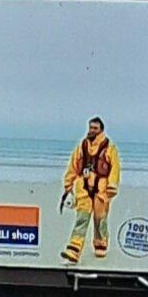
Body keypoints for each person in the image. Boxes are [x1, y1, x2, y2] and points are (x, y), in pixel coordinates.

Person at [60, 114, 120, 270]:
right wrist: (68, 184)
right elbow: (73, 165)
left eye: (95, 128)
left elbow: (115, 168)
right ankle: (73, 250)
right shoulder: (82, 146)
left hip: (101, 189)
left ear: (101, 130)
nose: (92, 130)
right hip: (83, 188)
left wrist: (111, 186)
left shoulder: (110, 148)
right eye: (90, 127)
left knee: (101, 219)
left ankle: (101, 243)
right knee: (82, 217)